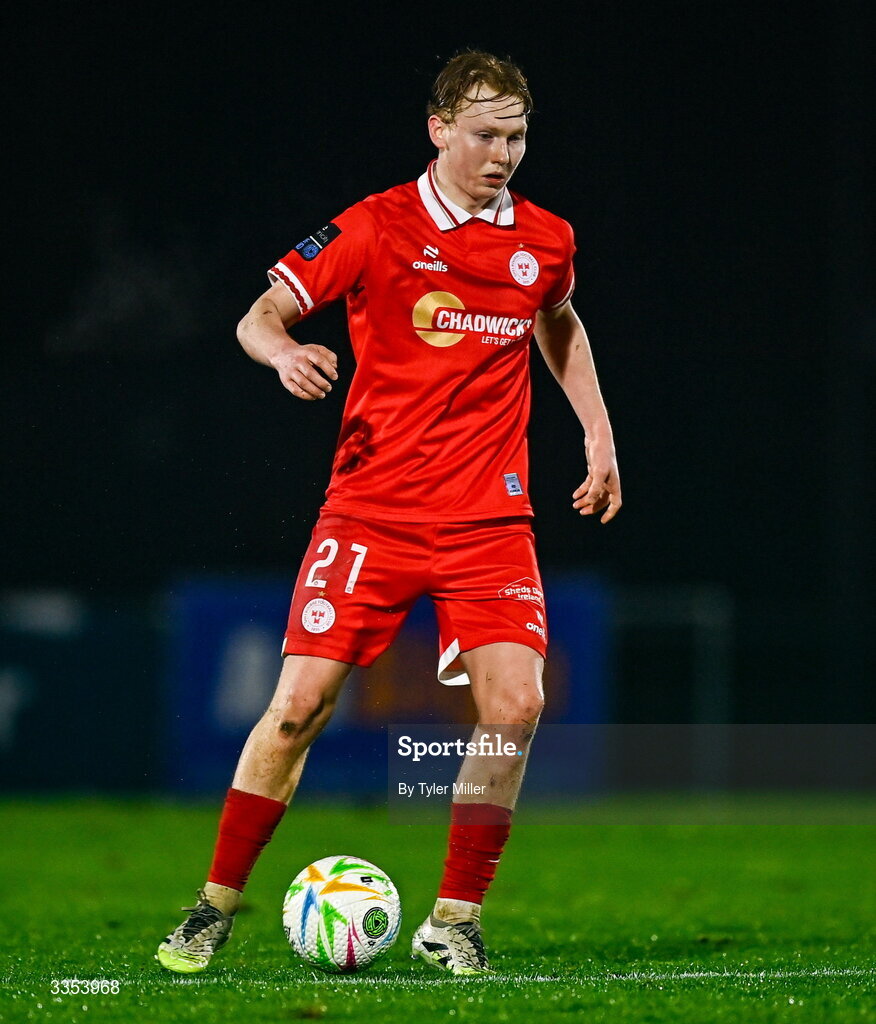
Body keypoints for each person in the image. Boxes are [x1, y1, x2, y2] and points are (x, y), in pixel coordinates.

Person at [157, 49, 621, 977]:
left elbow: (557, 321)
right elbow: (260, 313)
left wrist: (599, 436)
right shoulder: (374, 227)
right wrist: (281, 352)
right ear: (439, 128)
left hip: (490, 518)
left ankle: (454, 919)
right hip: (371, 513)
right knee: (295, 709)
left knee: (516, 704)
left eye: (518, 136)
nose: (504, 154)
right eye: (486, 134)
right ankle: (211, 907)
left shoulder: (547, 238)